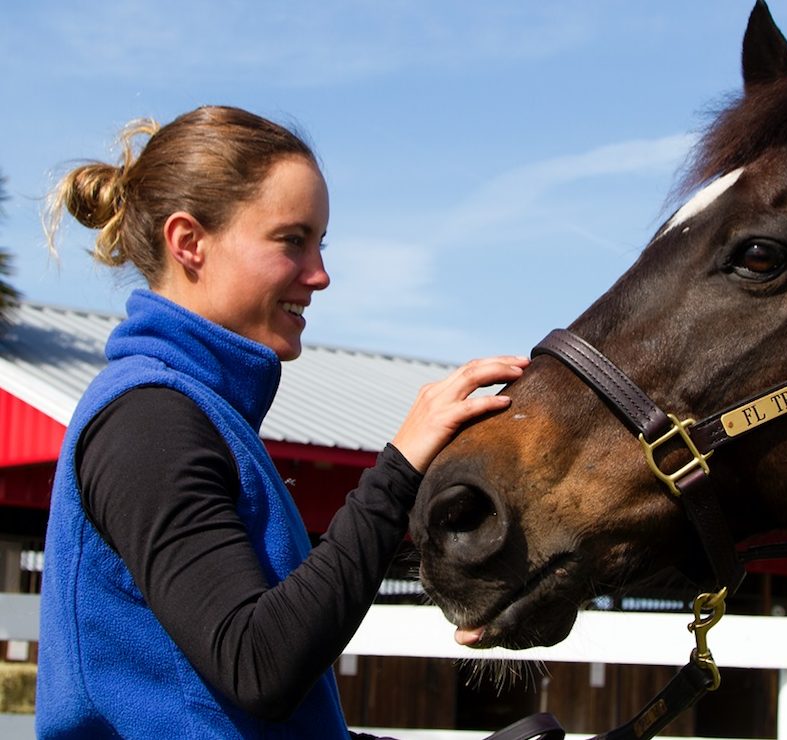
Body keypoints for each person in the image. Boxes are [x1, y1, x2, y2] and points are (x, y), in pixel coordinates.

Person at [37, 105, 529, 738]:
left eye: (320, 243)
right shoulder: (148, 422)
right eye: (292, 240)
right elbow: (257, 664)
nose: (320, 275)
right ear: (189, 243)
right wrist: (398, 472)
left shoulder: (197, 412)